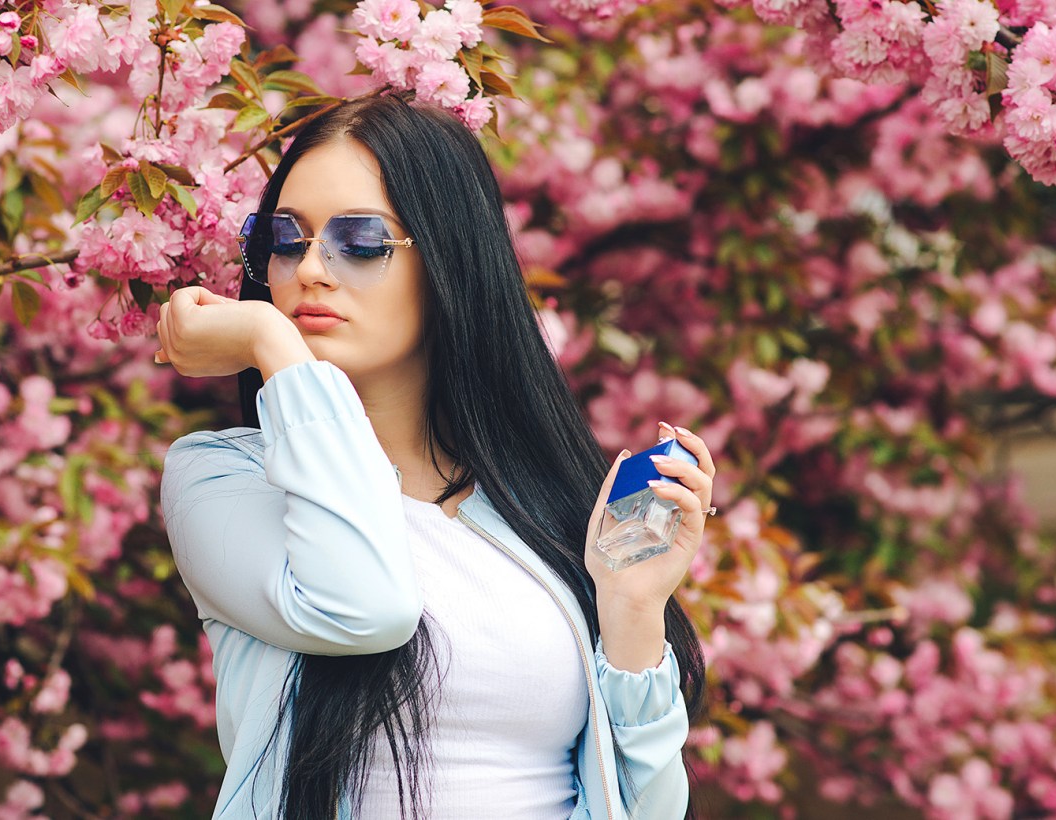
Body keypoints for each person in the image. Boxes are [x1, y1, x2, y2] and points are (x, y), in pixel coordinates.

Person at [156, 94, 714, 820]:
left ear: (448, 257)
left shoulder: (539, 516)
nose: (310, 270)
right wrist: (273, 344)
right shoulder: (224, 478)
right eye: (285, 239)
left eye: (360, 241)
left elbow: (646, 810)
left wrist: (632, 610)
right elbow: (366, 606)